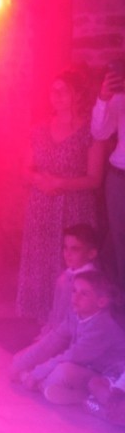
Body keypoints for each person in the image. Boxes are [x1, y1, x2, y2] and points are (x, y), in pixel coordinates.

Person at [18, 71, 105, 319]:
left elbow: (94, 178)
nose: (55, 96)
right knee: (43, 262)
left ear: (76, 95)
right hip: (42, 204)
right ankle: (46, 321)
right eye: (52, 91)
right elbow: (25, 168)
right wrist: (39, 180)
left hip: (74, 208)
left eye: (62, 90)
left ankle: (72, 322)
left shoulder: (91, 131)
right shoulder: (39, 129)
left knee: (72, 262)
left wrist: (61, 182)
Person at [11, 270, 125, 405]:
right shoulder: (75, 314)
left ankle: (86, 397)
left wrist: (35, 374)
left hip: (108, 376)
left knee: (62, 372)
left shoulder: (103, 327)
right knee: (21, 359)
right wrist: (19, 363)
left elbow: (72, 356)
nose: (75, 298)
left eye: (84, 294)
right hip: (86, 366)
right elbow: (52, 341)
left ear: (101, 302)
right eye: (74, 291)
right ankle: (52, 388)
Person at [90, 60, 125, 284]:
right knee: (120, 242)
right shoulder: (120, 96)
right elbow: (100, 133)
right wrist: (103, 98)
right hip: (120, 177)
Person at [38, 224, 100, 336]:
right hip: (56, 334)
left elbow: (76, 323)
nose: (68, 254)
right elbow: (56, 312)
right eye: (65, 248)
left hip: (73, 339)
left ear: (91, 254)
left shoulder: (89, 283)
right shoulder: (65, 277)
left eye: (75, 249)